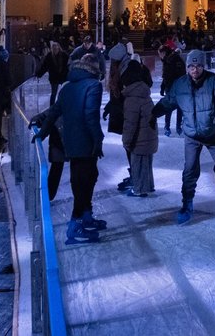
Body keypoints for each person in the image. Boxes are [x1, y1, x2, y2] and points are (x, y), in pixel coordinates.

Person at [150, 50, 215, 224]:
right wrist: (152, 114)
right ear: (187, 67)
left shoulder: (214, 81)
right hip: (191, 135)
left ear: (203, 66)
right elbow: (168, 102)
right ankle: (187, 203)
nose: (194, 69)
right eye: (191, 66)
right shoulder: (180, 85)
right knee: (190, 170)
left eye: (198, 66)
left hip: (213, 134)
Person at [30, 53, 106, 244]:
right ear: (95, 68)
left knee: (88, 177)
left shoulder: (67, 87)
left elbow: (55, 112)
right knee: (83, 182)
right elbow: (91, 117)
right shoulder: (93, 86)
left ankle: (86, 215)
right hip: (85, 142)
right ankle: (75, 226)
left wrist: (43, 133)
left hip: (71, 143)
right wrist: (98, 140)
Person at [120, 57, 158, 197]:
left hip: (140, 139)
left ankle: (139, 189)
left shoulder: (133, 98)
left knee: (138, 163)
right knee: (146, 164)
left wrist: (126, 141)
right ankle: (147, 186)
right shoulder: (143, 91)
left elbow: (130, 124)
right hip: (148, 135)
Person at [158, 44, 186, 136]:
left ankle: (168, 127)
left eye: (160, 54)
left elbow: (167, 76)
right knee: (178, 107)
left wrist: (164, 87)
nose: (160, 56)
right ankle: (177, 127)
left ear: (164, 53)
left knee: (169, 107)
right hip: (178, 88)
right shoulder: (175, 59)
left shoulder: (169, 60)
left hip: (171, 88)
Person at [35, 41, 70, 105]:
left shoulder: (64, 55)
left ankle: (63, 105)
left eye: (56, 48)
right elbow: (45, 66)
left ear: (59, 48)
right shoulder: (49, 56)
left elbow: (69, 65)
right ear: (52, 49)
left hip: (63, 77)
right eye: (54, 48)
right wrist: (39, 74)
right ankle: (52, 107)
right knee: (54, 93)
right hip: (54, 78)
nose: (55, 49)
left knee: (63, 93)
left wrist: (69, 74)